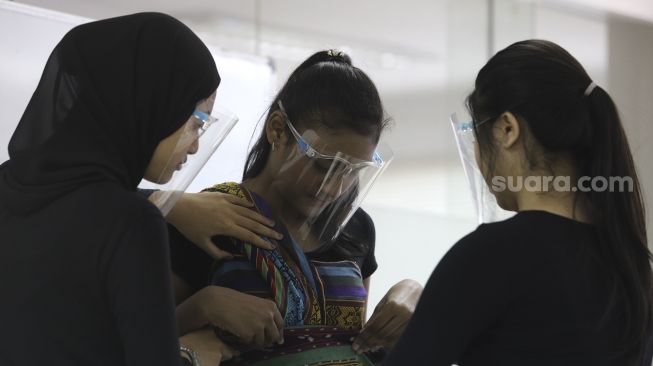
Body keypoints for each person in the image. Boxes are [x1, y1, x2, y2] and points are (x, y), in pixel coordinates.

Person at [383, 39, 653, 366]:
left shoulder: (491, 254)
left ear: (508, 129)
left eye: (476, 134)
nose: (479, 157)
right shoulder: (631, 264)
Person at [163, 50, 423, 365]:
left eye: (351, 171)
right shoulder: (209, 219)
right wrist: (203, 306)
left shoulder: (354, 228)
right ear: (277, 130)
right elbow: (141, 339)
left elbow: (352, 346)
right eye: (321, 165)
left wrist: (412, 293)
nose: (334, 188)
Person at [0, 12, 229, 366]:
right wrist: (195, 353)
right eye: (196, 122)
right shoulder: (131, 222)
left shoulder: (7, 186)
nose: (195, 145)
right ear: (152, 103)